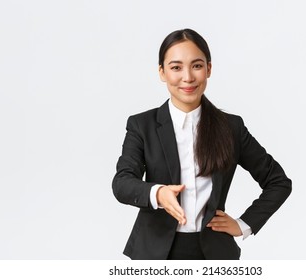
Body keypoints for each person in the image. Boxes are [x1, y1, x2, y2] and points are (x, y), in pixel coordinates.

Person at [112, 28, 292, 260]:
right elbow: (122, 182)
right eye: (176, 67)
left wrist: (244, 224)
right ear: (162, 72)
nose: (187, 77)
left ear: (208, 69)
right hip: (154, 253)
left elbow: (278, 182)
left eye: (196, 66)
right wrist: (158, 194)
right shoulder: (142, 125)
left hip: (214, 254)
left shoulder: (231, 127)